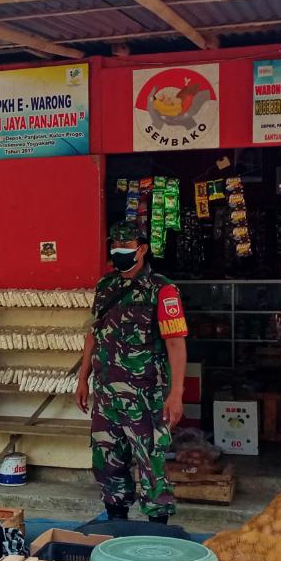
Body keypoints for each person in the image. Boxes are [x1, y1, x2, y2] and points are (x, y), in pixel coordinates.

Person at [75, 220, 187, 523]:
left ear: (143, 249)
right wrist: (83, 378)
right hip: (107, 395)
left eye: (126, 246)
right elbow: (92, 335)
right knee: (107, 461)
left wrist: (176, 394)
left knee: (151, 464)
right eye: (116, 246)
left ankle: (158, 531)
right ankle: (116, 524)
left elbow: (176, 344)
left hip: (147, 397)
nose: (119, 251)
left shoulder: (163, 290)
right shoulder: (105, 287)